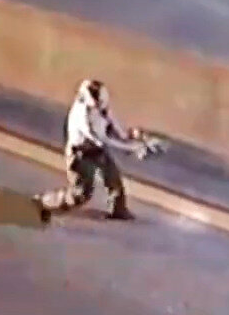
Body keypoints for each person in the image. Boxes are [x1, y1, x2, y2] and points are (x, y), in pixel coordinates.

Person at [33, 79, 154, 223]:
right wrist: (132, 148)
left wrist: (132, 135)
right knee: (81, 194)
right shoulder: (81, 115)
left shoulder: (101, 107)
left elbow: (113, 125)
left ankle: (118, 210)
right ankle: (44, 203)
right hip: (80, 154)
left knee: (113, 179)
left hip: (96, 150)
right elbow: (101, 139)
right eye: (96, 104)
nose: (100, 107)